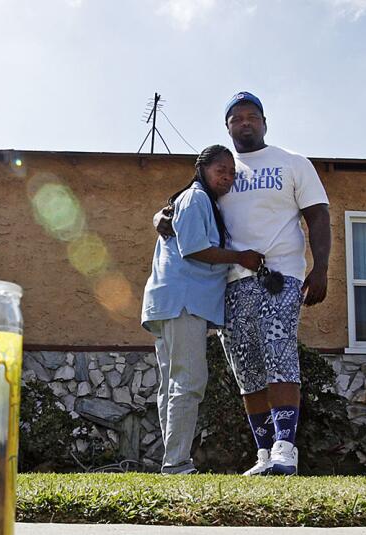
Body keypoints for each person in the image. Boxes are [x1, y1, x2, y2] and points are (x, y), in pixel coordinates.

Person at [158, 91, 331, 475]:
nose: (245, 122)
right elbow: (184, 200)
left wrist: (320, 269)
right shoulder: (221, 169)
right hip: (231, 283)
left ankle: (286, 446)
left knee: (279, 350)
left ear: (265, 122)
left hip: (280, 274)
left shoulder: (292, 163)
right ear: (227, 126)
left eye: (253, 116)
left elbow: (318, 216)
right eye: (237, 118)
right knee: (247, 368)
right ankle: (265, 453)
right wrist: (161, 215)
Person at [141, 144, 264, 474]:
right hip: (183, 301)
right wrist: (241, 257)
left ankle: (172, 462)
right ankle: (177, 464)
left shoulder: (198, 201)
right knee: (189, 381)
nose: (226, 177)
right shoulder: (196, 198)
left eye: (231, 173)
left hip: (169, 301)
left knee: (172, 384)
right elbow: (194, 249)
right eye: (220, 170)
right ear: (202, 169)